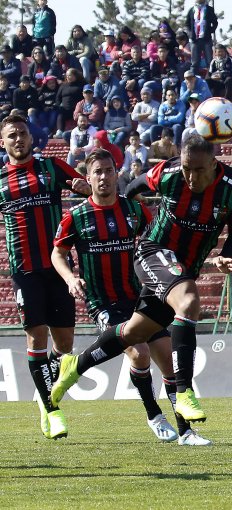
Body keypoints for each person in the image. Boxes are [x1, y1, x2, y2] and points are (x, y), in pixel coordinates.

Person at [51, 135, 232, 435]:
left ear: (214, 164)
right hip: (153, 251)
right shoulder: (168, 174)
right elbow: (133, 188)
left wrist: (225, 256)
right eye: (186, 168)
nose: (191, 177)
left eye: (198, 170)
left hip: (183, 268)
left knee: (134, 333)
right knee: (188, 303)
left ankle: (75, 366)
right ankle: (184, 393)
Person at [50, 148, 197, 444]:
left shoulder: (134, 210)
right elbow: (58, 253)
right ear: (88, 178)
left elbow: (156, 242)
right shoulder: (75, 217)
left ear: (117, 173)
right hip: (103, 302)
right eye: (98, 172)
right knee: (139, 352)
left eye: (108, 170)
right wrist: (70, 277)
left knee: (168, 360)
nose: (104, 177)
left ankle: (186, 431)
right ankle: (154, 414)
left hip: (141, 297)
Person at [0, 113, 90, 439]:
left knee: (64, 344)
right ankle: (51, 409)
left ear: (31, 137)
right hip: (25, 271)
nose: (18, 140)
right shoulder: (0, 180)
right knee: (36, 336)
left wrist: (84, 187)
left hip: (59, 266)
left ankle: (42, 388)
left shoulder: (51, 168)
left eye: (22, 133)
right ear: (3, 142)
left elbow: (89, 190)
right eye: (12, 136)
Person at [185, 0, 218, 74]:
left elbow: (215, 22)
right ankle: (194, 81)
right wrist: (190, 34)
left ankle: (211, 80)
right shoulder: (192, 10)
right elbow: (187, 24)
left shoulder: (209, 9)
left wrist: (210, 31)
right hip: (195, 40)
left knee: (209, 62)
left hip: (206, 39)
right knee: (195, 63)